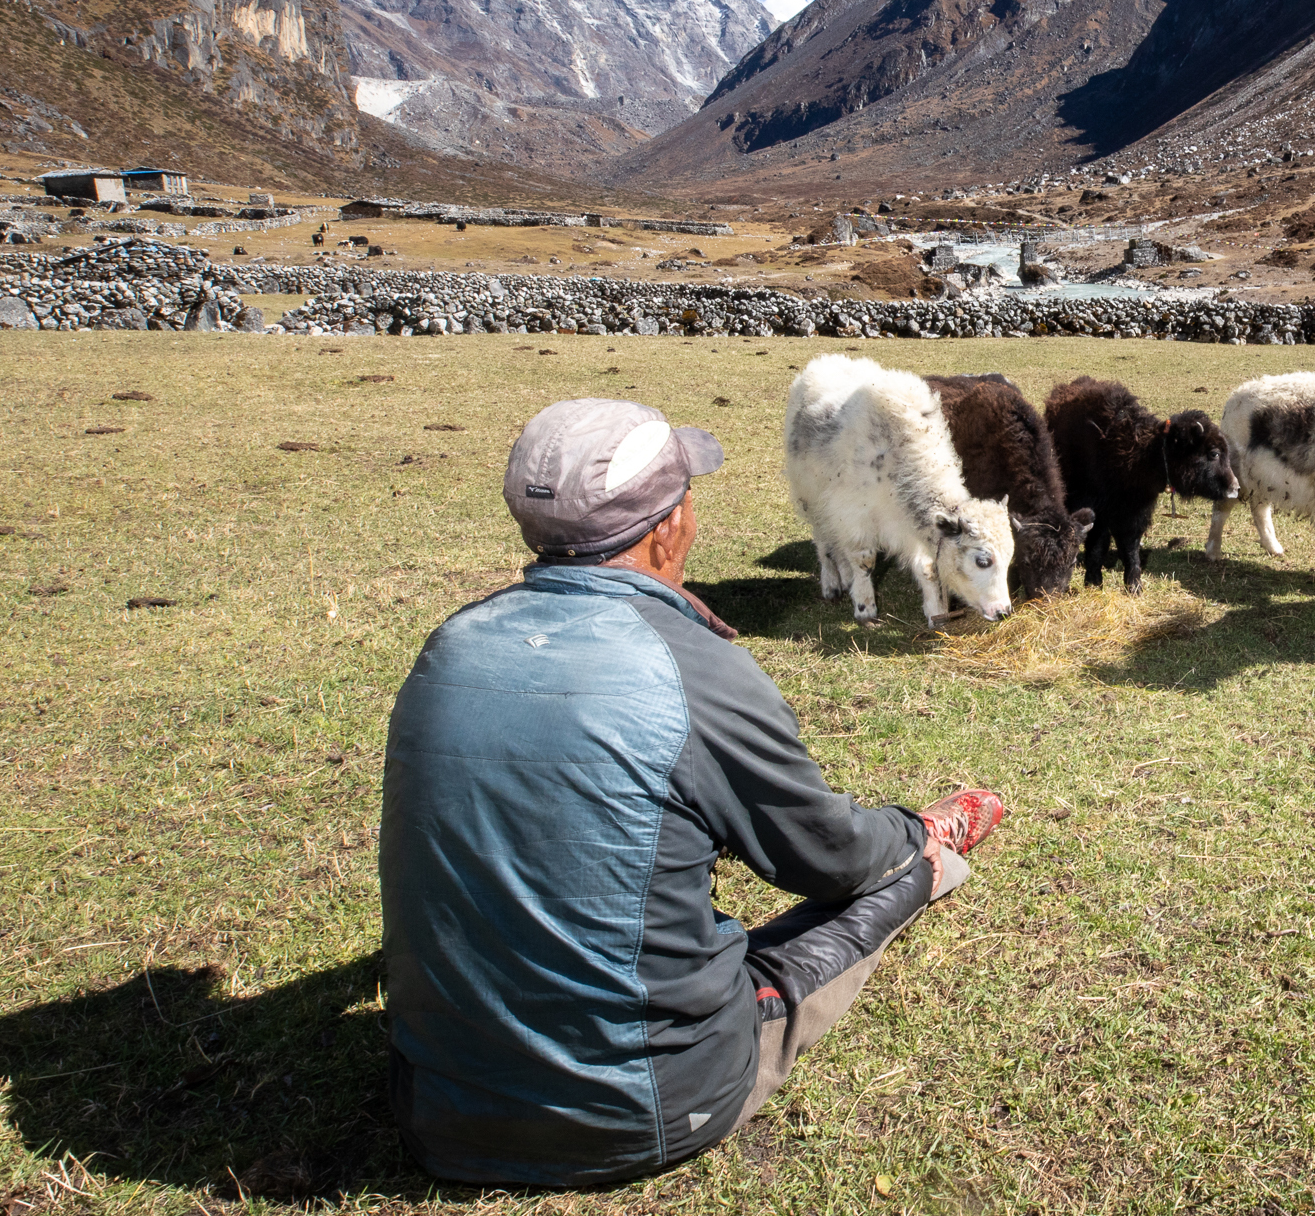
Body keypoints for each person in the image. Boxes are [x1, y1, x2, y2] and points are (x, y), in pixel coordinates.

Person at [378, 397, 1004, 1187]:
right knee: (890, 880)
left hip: (434, 1107)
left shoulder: (450, 644)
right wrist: (909, 830)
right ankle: (936, 851)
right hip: (642, 1108)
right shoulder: (695, 667)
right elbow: (829, 859)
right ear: (668, 528)